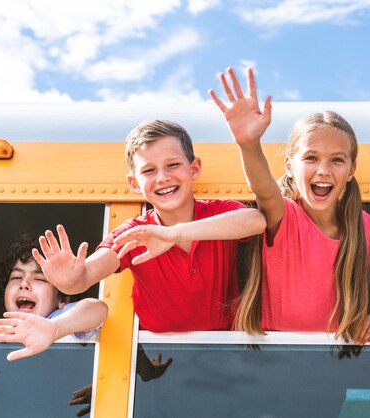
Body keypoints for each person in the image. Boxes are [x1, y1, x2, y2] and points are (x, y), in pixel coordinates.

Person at [32, 120, 266, 333]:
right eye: (149, 170)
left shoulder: (217, 212)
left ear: (194, 169)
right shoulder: (135, 231)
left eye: (173, 165)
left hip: (226, 349)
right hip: (156, 361)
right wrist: (69, 279)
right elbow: (87, 275)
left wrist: (173, 234)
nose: (162, 177)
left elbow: (256, 221)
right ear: (134, 183)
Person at [209, 68, 370, 344]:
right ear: (289, 166)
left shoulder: (362, 225)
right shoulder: (285, 215)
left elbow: (359, 288)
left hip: (337, 360)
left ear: (351, 170)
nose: (323, 170)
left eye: (337, 160)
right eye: (311, 158)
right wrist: (248, 143)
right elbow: (263, 190)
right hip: (271, 355)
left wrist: (362, 316)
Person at [0, 236, 108, 361]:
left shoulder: (58, 318)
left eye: (39, 279)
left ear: (63, 298)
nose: (24, 284)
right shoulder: (0, 329)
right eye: (16, 277)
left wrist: (56, 327)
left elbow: (98, 309)